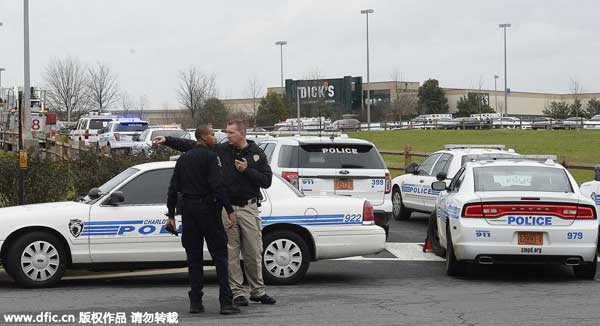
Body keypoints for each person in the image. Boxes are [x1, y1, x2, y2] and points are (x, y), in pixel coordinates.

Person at [156, 119, 276, 306]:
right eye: (226, 132)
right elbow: (194, 145)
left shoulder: (256, 154)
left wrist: (247, 170)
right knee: (231, 253)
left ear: (241, 134)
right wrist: (168, 140)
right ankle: (238, 293)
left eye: (231, 133)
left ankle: (257, 291)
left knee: (253, 251)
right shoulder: (222, 150)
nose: (227, 136)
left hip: (248, 208)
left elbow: (266, 181)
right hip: (226, 209)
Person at [166, 126, 240, 315]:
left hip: (188, 212)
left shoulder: (183, 159)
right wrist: (229, 209)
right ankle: (225, 302)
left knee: (194, 258)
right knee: (220, 256)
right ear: (204, 137)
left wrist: (171, 215)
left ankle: (196, 302)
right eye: (212, 135)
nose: (215, 138)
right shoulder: (211, 157)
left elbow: (173, 187)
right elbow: (217, 186)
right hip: (208, 210)